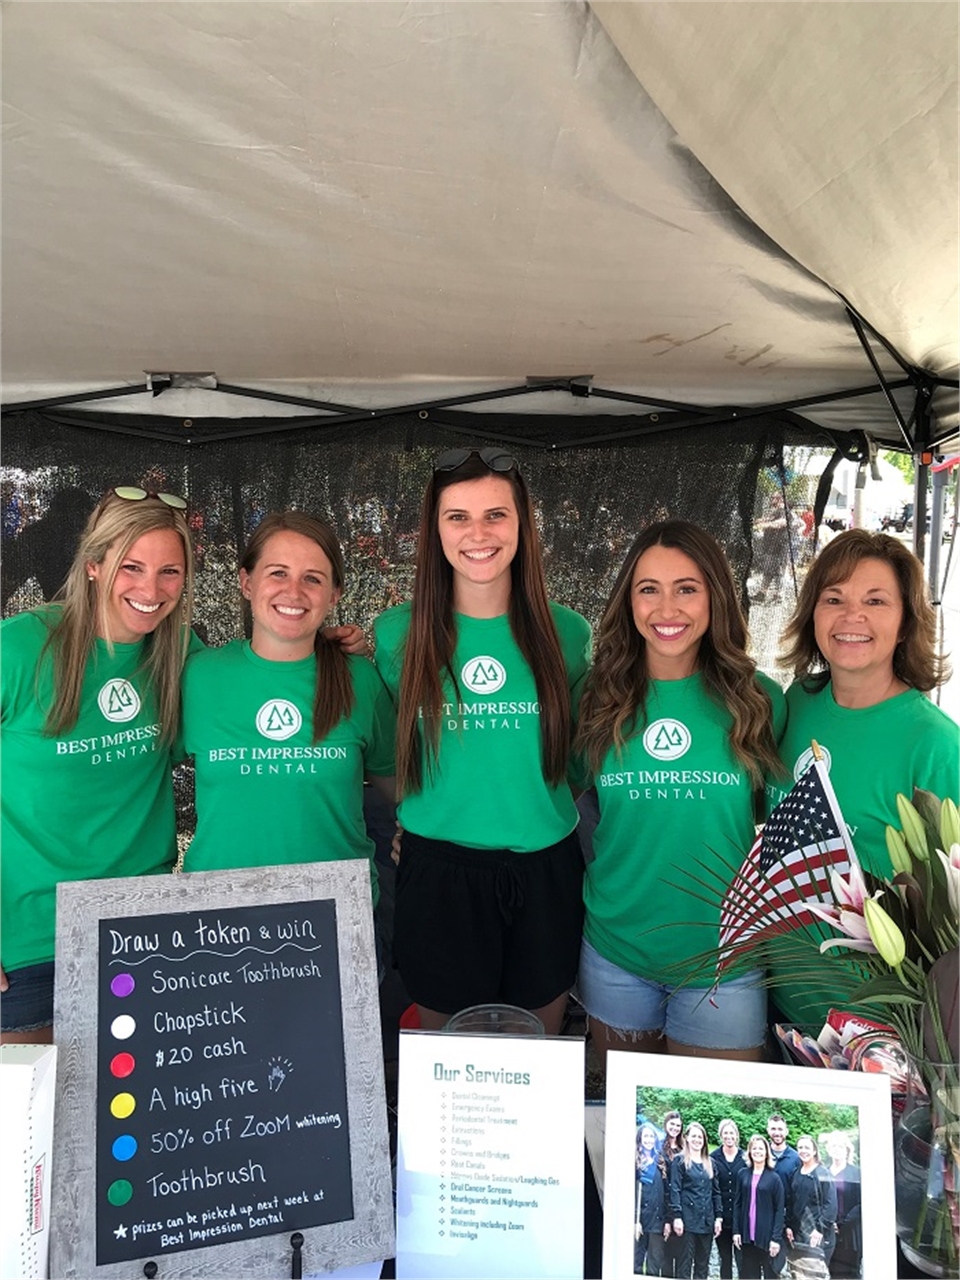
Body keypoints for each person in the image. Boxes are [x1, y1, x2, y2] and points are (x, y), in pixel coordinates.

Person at [372, 447, 591, 1032]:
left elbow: (574, 763)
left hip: (546, 871)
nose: (478, 534)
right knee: (454, 1061)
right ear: (434, 529)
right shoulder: (395, 634)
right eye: (458, 517)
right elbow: (386, 751)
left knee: (533, 1052)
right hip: (439, 877)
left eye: (496, 514)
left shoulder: (567, 633)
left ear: (522, 524)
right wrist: (423, 816)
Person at [574, 520, 786, 1069]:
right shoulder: (594, 698)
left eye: (686, 588)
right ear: (629, 601)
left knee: (715, 1138)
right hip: (618, 951)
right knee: (628, 1135)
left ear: (715, 596)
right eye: (649, 589)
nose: (667, 609)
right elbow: (555, 798)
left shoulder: (761, 701)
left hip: (726, 961)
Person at [1, 485, 197, 1043]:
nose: (150, 589)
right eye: (131, 566)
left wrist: (328, 647)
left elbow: (258, 688)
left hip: (144, 935)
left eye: (170, 572)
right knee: (30, 1127)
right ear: (94, 564)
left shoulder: (183, 655)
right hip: (30, 946)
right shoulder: (20, 648)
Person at [767, 530, 959, 1026]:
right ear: (813, 614)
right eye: (834, 599)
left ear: (906, 621)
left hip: (876, 1027)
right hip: (778, 999)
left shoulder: (933, 742)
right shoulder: (798, 701)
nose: (852, 616)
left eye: (875, 600)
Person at [180, 513, 396, 915]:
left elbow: (396, 787)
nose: (293, 592)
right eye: (278, 573)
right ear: (247, 583)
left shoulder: (361, 679)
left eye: (313, 578)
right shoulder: (198, 675)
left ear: (334, 594)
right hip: (219, 912)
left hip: (337, 917)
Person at [668, 1121, 722, 1279]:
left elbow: (716, 1193)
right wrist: (677, 1217)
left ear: (704, 1140)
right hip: (687, 1221)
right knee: (684, 1264)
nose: (697, 1140)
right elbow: (675, 1190)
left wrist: (718, 1217)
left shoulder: (711, 1163)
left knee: (702, 1265)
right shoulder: (679, 1161)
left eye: (700, 1137)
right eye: (694, 1136)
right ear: (687, 1138)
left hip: (707, 1222)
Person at [732, 1134, 785, 1279]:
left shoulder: (774, 1178)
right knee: (748, 1275)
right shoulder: (742, 1174)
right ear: (749, 1151)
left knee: (770, 1275)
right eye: (754, 1148)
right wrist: (736, 1231)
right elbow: (737, 1205)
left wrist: (776, 1238)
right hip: (747, 1236)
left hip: (767, 1238)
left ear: (767, 1152)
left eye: (761, 1149)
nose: (757, 1151)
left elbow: (780, 1210)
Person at [787, 1136, 838, 1276]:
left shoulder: (823, 1173)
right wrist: (789, 1226)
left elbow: (831, 1205)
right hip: (799, 1235)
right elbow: (792, 1202)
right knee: (799, 1274)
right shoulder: (795, 1173)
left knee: (815, 1275)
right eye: (800, 1148)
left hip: (818, 1235)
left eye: (807, 1148)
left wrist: (819, 1229)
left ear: (815, 1151)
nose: (803, 1151)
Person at [711, 1118, 749, 1279]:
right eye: (725, 1133)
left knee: (742, 1261)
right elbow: (713, 1188)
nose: (728, 1136)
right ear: (720, 1135)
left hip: (741, 1218)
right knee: (725, 1260)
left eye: (731, 1132)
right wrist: (717, 1216)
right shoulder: (713, 1157)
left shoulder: (746, 1158)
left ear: (736, 1135)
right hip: (722, 1217)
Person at [635, 1122, 670, 1276]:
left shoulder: (660, 1161)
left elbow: (667, 1193)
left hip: (657, 1221)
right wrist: (634, 1221)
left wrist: (667, 1220)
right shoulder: (633, 1162)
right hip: (639, 1220)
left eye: (651, 1136)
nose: (648, 1139)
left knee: (654, 1265)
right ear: (639, 1139)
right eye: (645, 1136)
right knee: (635, 1263)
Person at [824, 1132, 861, 1278]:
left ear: (847, 1149)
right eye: (834, 1146)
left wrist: (842, 1224)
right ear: (829, 1149)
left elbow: (861, 1203)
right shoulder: (824, 1172)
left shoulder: (856, 1173)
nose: (837, 1149)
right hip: (829, 1231)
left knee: (852, 1273)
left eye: (841, 1146)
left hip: (850, 1232)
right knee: (832, 1272)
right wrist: (829, 1223)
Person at [660, 1110, 686, 1277]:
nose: (675, 1128)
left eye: (678, 1125)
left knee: (682, 1254)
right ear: (666, 1124)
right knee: (666, 1256)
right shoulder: (659, 1147)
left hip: (681, 1203)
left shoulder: (685, 1148)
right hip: (664, 1200)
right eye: (672, 1124)